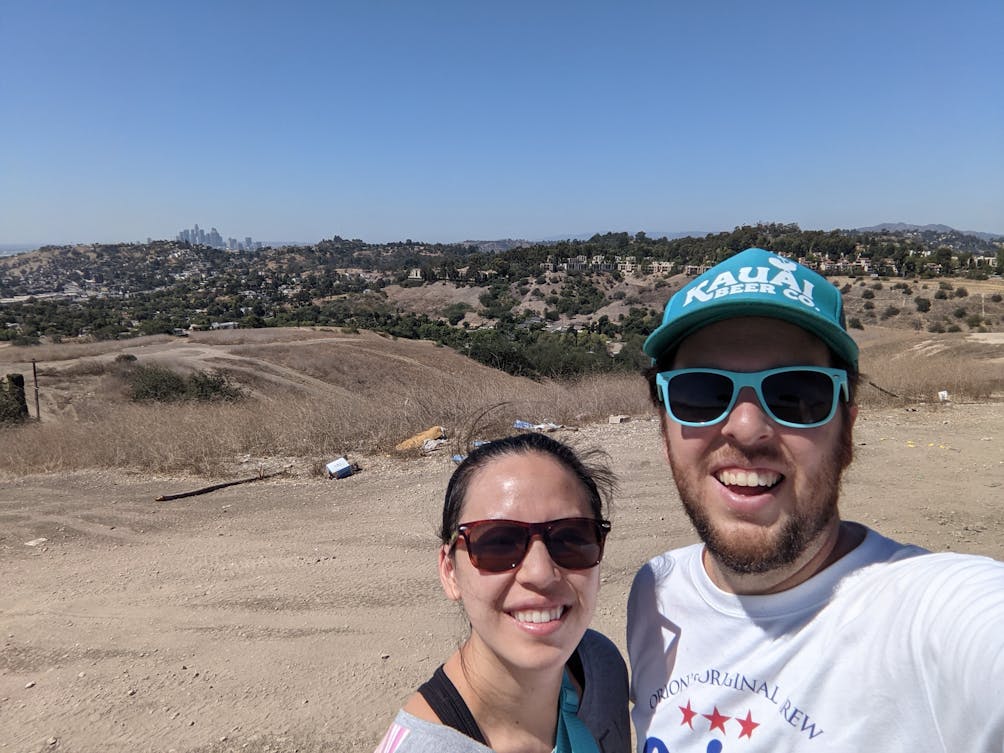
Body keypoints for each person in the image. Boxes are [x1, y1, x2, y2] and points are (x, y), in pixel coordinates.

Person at [627, 247, 1004, 752]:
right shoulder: (655, 594)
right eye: (702, 392)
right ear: (665, 424)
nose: (746, 428)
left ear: (847, 426)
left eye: (795, 394)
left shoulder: (926, 616)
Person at [376, 432, 630, 753]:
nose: (540, 573)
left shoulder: (599, 666)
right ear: (450, 571)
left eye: (570, 538)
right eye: (497, 542)